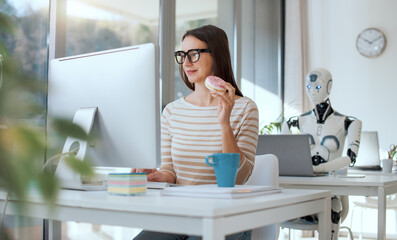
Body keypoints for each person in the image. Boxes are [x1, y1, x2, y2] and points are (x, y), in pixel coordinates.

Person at [132, 25, 259, 240]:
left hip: (226, 215)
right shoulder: (172, 111)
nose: (187, 62)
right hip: (179, 214)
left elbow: (239, 177)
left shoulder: (245, 108)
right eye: (182, 55)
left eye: (194, 54)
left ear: (217, 55)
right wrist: (156, 176)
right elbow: (170, 172)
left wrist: (224, 123)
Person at [282, 68, 362, 240]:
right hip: (303, 187)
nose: (312, 91)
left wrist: (321, 168)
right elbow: (283, 151)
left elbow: (350, 158)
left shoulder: (347, 122)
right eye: (308, 87)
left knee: (334, 204)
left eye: (317, 87)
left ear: (329, 86)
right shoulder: (298, 120)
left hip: (331, 188)